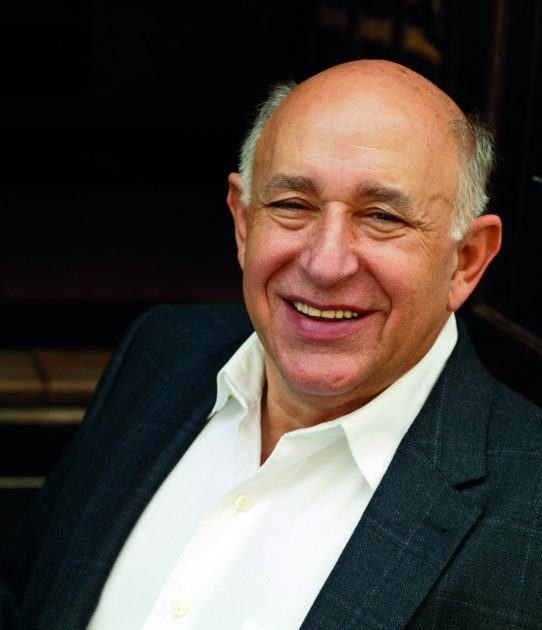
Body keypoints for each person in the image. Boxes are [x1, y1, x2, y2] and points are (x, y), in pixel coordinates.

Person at [1, 59, 541, 630]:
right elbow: (24, 596)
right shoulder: (161, 353)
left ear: (466, 260)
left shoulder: (530, 508)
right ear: (242, 223)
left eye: (381, 216)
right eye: (292, 205)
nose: (325, 263)